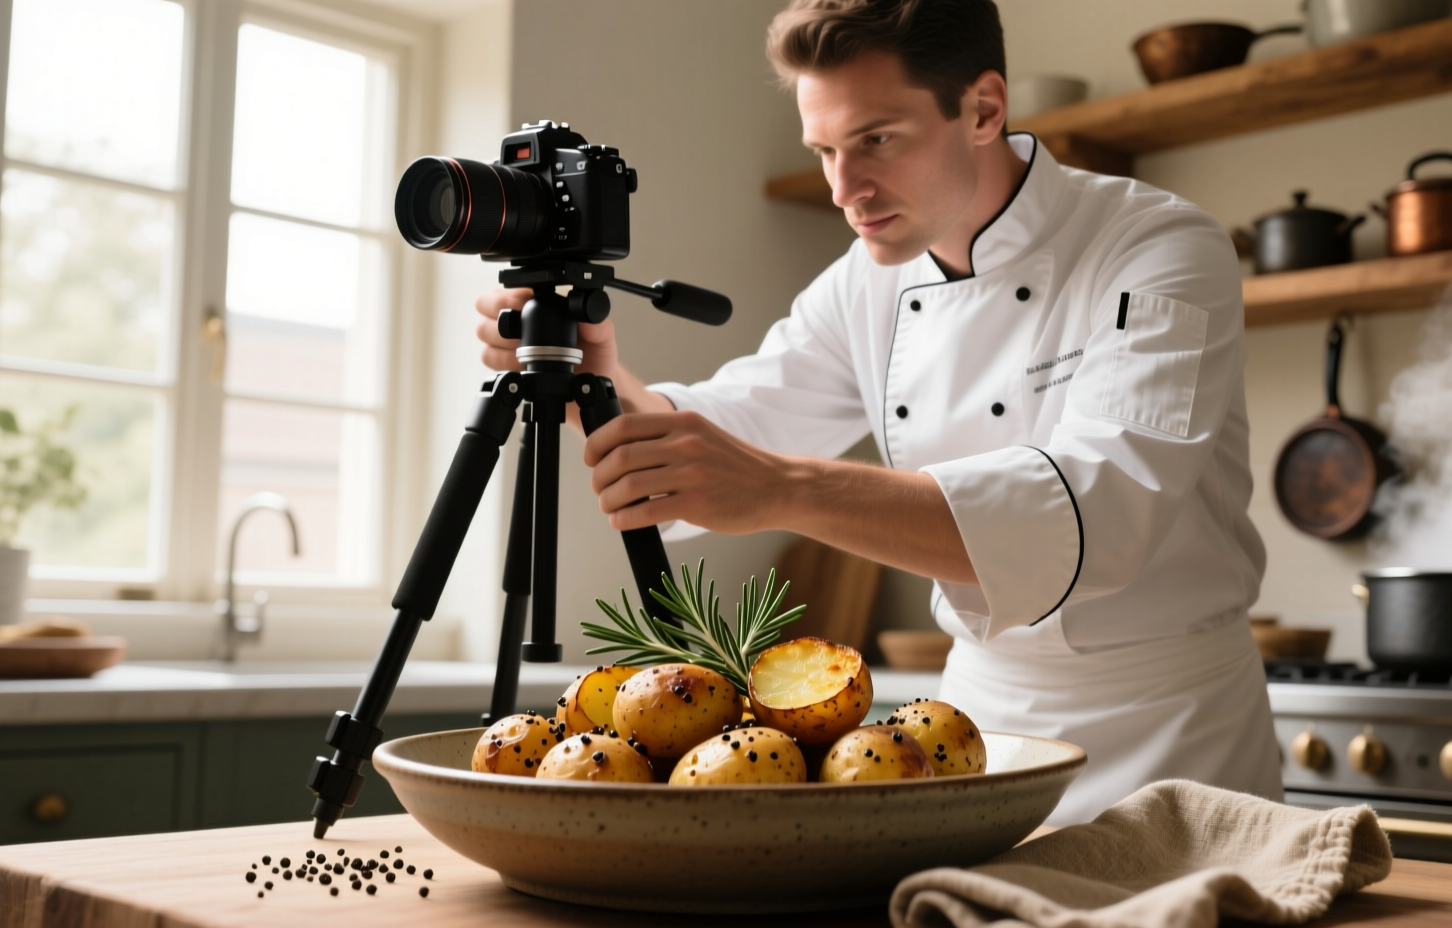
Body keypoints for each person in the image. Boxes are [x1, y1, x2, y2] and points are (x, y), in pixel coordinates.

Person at [475, 0, 1281, 823]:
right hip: (972, 730)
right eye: (823, 149)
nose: (843, 189)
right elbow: (726, 439)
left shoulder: (1157, 247)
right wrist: (595, 381)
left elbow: (1099, 514)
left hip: (1173, 738)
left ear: (983, 109)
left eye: (876, 140)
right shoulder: (864, 283)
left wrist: (782, 488)